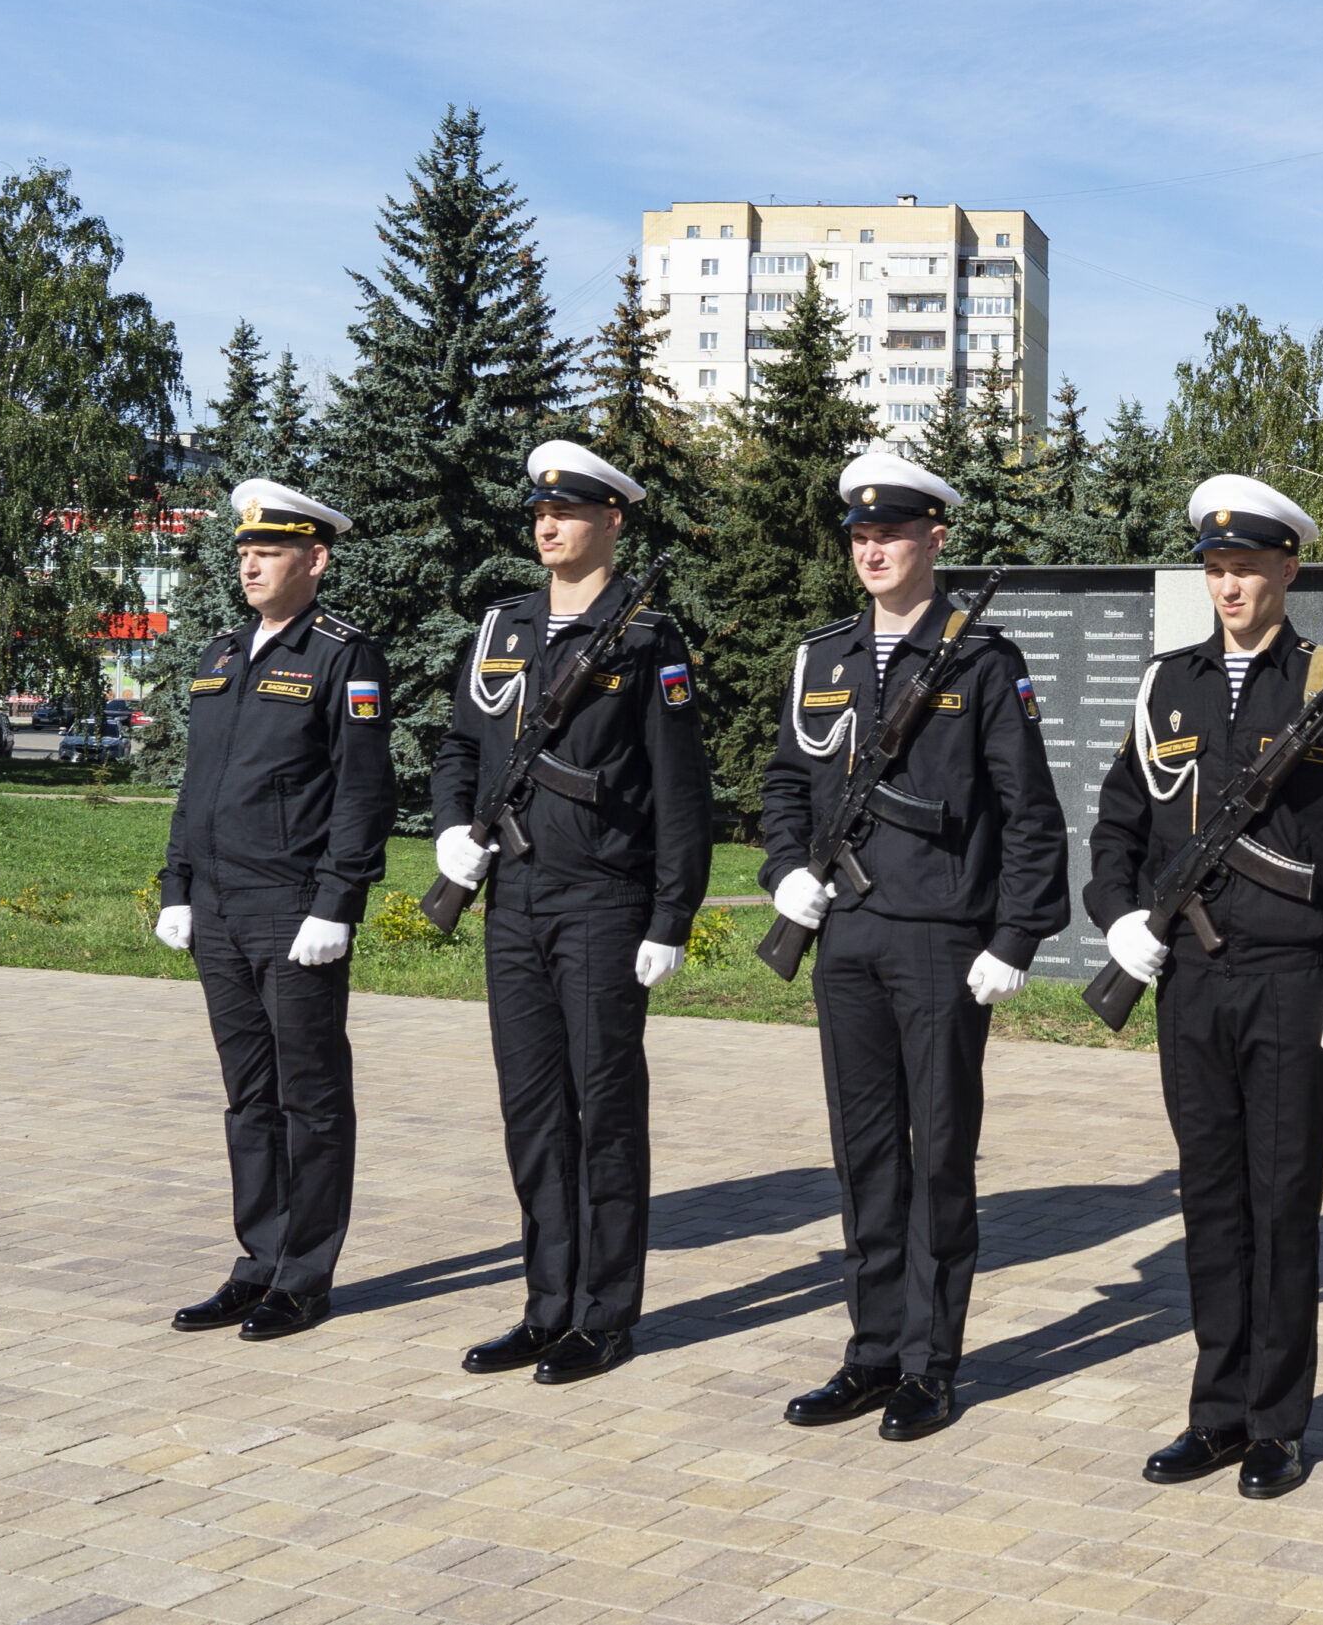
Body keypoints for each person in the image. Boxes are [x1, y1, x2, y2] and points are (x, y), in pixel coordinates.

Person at [1084, 473, 1323, 1502]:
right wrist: (1118, 913)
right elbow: (1121, 815)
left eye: (1248, 569)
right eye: (1216, 570)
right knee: (1209, 1198)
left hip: (1291, 976)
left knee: (1282, 1200)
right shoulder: (1164, 684)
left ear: (1286, 570)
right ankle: (1213, 1414)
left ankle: (1277, 1423)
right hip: (1190, 981)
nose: (1229, 586)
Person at [760, 448, 1071, 1441]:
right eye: (859, 535)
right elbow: (779, 786)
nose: (872, 550)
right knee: (863, 1158)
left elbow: (1029, 811)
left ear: (935, 536)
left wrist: (1016, 931)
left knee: (936, 1155)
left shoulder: (982, 660)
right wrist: (786, 875)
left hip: (940, 939)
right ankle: (870, 1351)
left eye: (890, 532)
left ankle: (930, 1365)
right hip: (844, 936)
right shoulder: (822, 658)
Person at [429, 441, 712, 1384]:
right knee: (533, 1111)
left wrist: (671, 915)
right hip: (510, 899)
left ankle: (605, 1312)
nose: (549, 525)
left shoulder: (644, 640)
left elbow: (680, 791)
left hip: (601, 901)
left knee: (605, 1110)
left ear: (612, 522)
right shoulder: (501, 627)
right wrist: (448, 835)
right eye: (541, 512)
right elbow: (459, 748)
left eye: (572, 512)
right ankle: (545, 1304)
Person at [156, 478, 395, 1342]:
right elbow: (198, 786)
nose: (250, 561)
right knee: (248, 1095)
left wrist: (338, 902)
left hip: (293, 909)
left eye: (270, 549)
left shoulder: (341, 655)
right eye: (245, 549)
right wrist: (176, 883)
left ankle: (304, 1274)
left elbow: (364, 795)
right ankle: (255, 1261)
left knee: (312, 1096)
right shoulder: (221, 654)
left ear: (314, 559)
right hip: (217, 909)